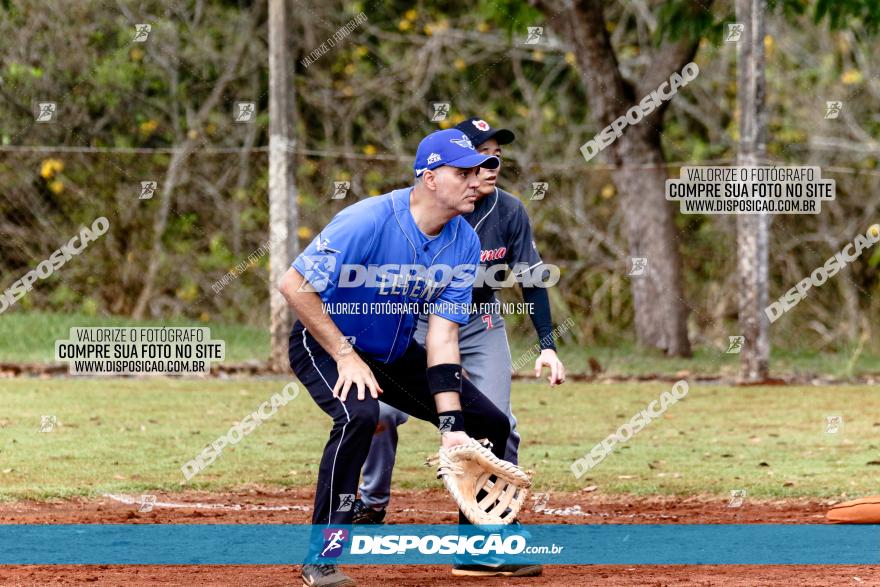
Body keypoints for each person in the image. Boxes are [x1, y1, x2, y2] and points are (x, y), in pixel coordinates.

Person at [280, 128, 531, 587]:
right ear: (430, 178)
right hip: (324, 343)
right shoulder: (367, 220)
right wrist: (346, 356)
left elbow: (441, 340)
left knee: (490, 424)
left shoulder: (463, 242)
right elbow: (294, 285)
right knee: (360, 416)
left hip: (393, 353)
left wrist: (453, 428)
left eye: (480, 170)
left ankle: (476, 550)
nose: (477, 181)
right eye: (464, 172)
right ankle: (323, 556)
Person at [354, 118, 566, 576]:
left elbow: (531, 277)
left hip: (479, 321)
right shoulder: (426, 205)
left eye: (497, 157)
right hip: (415, 319)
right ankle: (369, 505)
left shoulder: (509, 212)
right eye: (481, 157)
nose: (491, 166)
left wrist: (546, 345)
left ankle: (482, 537)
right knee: (383, 415)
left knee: (497, 423)